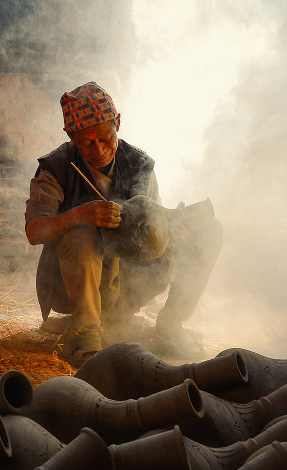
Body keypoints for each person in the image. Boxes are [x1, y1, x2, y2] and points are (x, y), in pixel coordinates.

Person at [24, 81, 223, 366]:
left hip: (131, 283)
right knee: (81, 236)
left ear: (117, 122)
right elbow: (34, 232)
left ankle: (169, 326)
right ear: (70, 135)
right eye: (87, 143)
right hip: (74, 289)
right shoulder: (55, 169)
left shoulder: (140, 164)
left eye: (105, 138)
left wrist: (171, 233)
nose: (99, 149)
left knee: (209, 230)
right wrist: (80, 216)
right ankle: (86, 338)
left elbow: (152, 229)